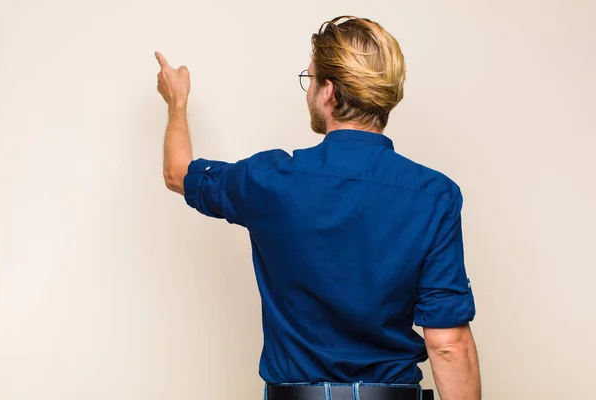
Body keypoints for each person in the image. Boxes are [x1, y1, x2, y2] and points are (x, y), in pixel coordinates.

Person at [155, 15, 480, 400]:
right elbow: (447, 343)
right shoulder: (436, 196)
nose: (307, 91)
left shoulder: (269, 180)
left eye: (309, 80)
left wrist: (177, 102)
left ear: (329, 91)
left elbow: (178, 173)